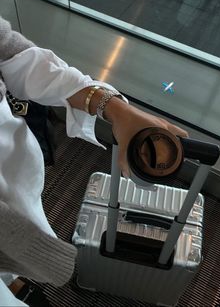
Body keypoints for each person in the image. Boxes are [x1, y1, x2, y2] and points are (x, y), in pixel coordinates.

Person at [0, 15, 188, 306]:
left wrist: (112, 107)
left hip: (11, 160)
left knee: (24, 215)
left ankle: (10, 279)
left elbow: (12, 53)